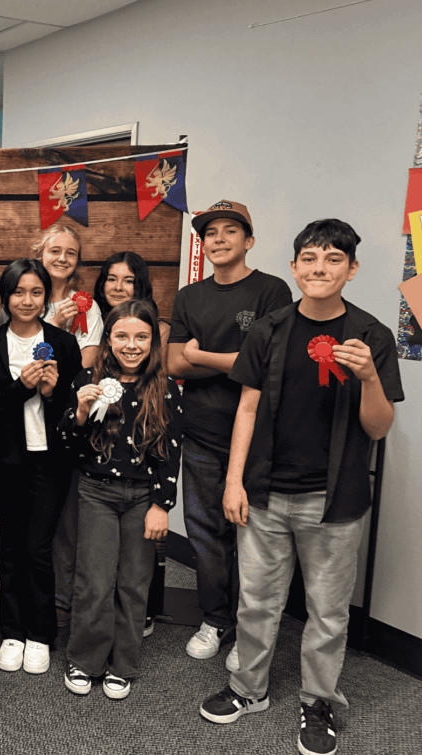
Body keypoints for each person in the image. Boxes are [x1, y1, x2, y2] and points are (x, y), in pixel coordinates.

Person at [200, 219, 402, 755]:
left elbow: (378, 427)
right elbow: (247, 408)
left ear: (351, 269)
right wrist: (234, 481)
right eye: (309, 258)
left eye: (334, 259)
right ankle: (248, 689)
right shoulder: (269, 330)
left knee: (328, 612)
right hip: (265, 493)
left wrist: (369, 378)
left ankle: (318, 701)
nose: (319, 268)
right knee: (256, 602)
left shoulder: (372, 336)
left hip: (333, 502)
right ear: (294, 267)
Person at [168, 201, 292, 669]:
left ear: (249, 240)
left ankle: (250, 629)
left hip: (258, 439)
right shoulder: (189, 296)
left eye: (230, 231)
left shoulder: (271, 291)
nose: (218, 239)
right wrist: (236, 360)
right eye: (210, 233)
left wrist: (202, 356)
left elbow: (270, 365)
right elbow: (173, 363)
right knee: (205, 534)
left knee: (254, 538)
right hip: (200, 434)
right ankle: (216, 619)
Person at [59, 299, 183, 700]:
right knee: (94, 580)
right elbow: (68, 442)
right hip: (96, 493)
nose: (132, 345)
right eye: (122, 336)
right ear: (108, 340)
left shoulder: (165, 389)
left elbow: (170, 452)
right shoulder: (87, 380)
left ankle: (123, 664)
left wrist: (162, 506)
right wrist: (80, 412)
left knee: (134, 581)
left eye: (141, 337)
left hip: (142, 498)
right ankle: (85, 659)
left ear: (153, 342)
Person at [0, 259, 82, 675]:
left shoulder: (63, 343)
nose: (27, 300)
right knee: (11, 546)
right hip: (8, 460)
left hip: (51, 460)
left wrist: (52, 394)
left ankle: (40, 633)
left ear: (46, 297)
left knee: (38, 547)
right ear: (6, 297)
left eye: (36, 292)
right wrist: (21, 387)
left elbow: (74, 410)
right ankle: (12, 631)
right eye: (18, 292)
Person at [0, 224, 103, 367]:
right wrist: (54, 326)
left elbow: (84, 366)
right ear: (41, 254)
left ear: (77, 261)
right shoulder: (18, 303)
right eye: (55, 251)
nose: (62, 258)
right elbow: (8, 355)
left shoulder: (87, 307)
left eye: (71, 253)